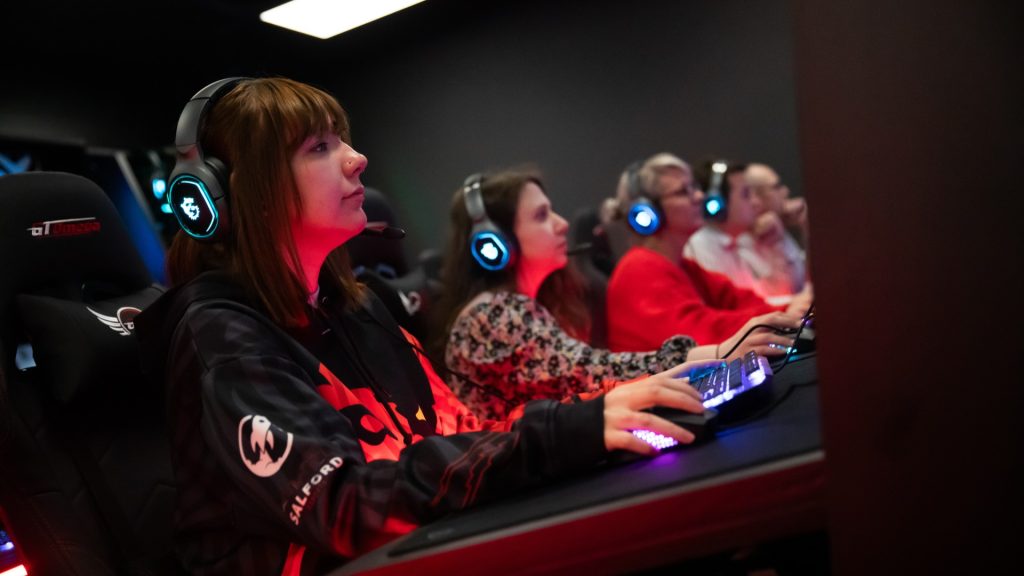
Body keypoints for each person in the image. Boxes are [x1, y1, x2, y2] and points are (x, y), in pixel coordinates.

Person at [134, 77, 711, 576]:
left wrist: (596, 418)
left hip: (423, 547)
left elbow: (459, 428)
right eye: (320, 146)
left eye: (344, 139)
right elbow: (345, 506)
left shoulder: (359, 308)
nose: (357, 158)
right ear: (237, 197)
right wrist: (563, 434)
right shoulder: (220, 336)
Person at [434, 167, 738, 421]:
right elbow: (592, 372)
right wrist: (714, 354)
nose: (562, 224)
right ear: (493, 244)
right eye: (541, 216)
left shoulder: (528, 305)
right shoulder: (492, 316)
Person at [603, 152, 812, 353]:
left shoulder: (682, 265)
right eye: (683, 191)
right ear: (647, 213)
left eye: (694, 187)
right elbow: (699, 332)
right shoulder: (638, 269)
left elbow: (736, 299)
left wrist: (787, 312)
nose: (700, 196)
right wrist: (782, 315)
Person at [683, 159, 801, 304]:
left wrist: (777, 243)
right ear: (718, 203)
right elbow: (738, 310)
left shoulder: (733, 244)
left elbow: (777, 293)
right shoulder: (701, 246)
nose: (756, 202)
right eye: (746, 195)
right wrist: (797, 303)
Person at [745, 162, 810, 295]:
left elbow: (805, 284)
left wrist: (806, 227)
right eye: (776, 186)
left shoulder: (777, 223)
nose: (785, 191)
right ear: (755, 196)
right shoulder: (744, 241)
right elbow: (787, 293)